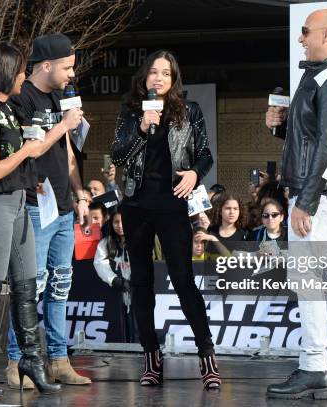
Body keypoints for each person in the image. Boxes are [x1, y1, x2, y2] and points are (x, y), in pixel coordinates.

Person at [111, 50, 221, 389]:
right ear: (144, 78)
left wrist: (195, 175)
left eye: (165, 73)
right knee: (142, 283)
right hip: (136, 205)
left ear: (173, 80)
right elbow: (117, 154)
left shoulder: (190, 111)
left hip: (173, 203)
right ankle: (151, 358)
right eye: (153, 72)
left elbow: (205, 154)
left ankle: (207, 357)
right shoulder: (131, 112)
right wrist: (143, 128)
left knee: (183, 280)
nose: (158, 78)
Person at [265, 9, 327, 399]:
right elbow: (312, 137)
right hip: (322, 194)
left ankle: (314, 365)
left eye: (306, 32)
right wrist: (280, 125)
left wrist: (307, 199)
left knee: (310, 281)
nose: (301, 38)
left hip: (317, 196)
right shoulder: (321, 75)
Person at [0, 42, 60, 398]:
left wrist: (27, 173)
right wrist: (26, 151)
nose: (24, 76)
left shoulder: (5, 109)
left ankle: (32, 360)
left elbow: (8, 164)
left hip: (18, 201)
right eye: (20, 71)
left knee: (26, 285)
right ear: (6, 73)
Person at [6, 33, 91, 387]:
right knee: (31, 286)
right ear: (46, 65)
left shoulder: (62, 97)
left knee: (60, 285)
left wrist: (80, 193)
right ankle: (16, 362)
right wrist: (63, 124)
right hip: (36, 205)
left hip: (64, 205)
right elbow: (34, 149)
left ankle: (58, 358)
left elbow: (68, 152)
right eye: (67, 67)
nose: (72, 74)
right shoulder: (22, 98)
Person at [93, 210, 135, 343]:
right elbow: (100, 264)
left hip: (138, 289)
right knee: (120, 324)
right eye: (116, 222)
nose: (120, 225)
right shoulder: (106, 242)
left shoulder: (140, 239)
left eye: (124, 221)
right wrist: (115, 280)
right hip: (116, 291)